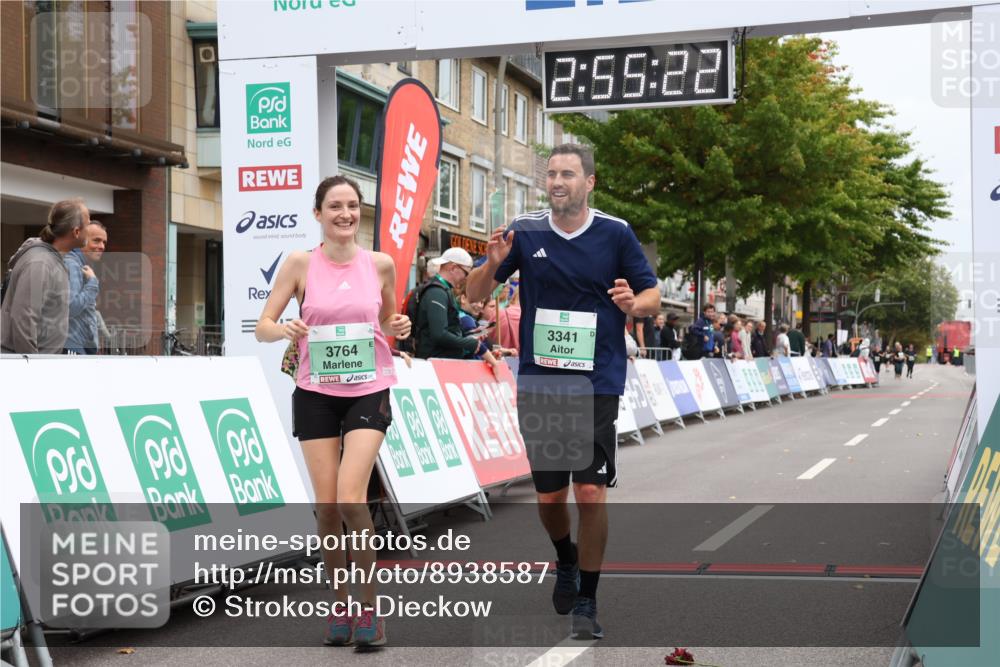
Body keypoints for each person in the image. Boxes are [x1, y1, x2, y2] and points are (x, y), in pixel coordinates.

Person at [465, 143, 659, 640]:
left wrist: (633, 304)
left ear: (588, 183)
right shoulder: (525, 231)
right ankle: (565, 558)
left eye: (568, 174)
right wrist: (491, 264)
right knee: (550, 498)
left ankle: (588, 600)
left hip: (597, 380)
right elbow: (473, 295)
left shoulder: (615, 232)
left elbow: (651, 295)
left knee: (589, 491)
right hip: (542, 381)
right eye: (551, 173)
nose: (557, 182)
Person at [254, 175, 410, 649]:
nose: (346, 214)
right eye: (335, 206)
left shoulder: (380, 264)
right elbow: (262, 326)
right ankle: (340, 606)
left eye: (353, 205)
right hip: (315, 390)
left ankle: (369, 610)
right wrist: (283, 329)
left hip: (368, 388)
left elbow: (387, 322)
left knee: (349, 498)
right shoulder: (300, 263)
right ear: (318, 213)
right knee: (326, 508)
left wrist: (398, 324)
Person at [1, 199, 89, 354]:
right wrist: (34, 364)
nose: (90, 229)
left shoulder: (52, 260)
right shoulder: (40, 263)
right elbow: (23, 319)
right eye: (88, 224)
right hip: (25, 365)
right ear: (76, 232)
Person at [64, 221, 108, 354]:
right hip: (73, 346)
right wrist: (93, 283)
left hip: (79, 345)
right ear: (82, 240)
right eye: (96, 240)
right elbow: (71, 307)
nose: (102, 246)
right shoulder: (72, 264)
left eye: (104, 242)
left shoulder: (81, 265)